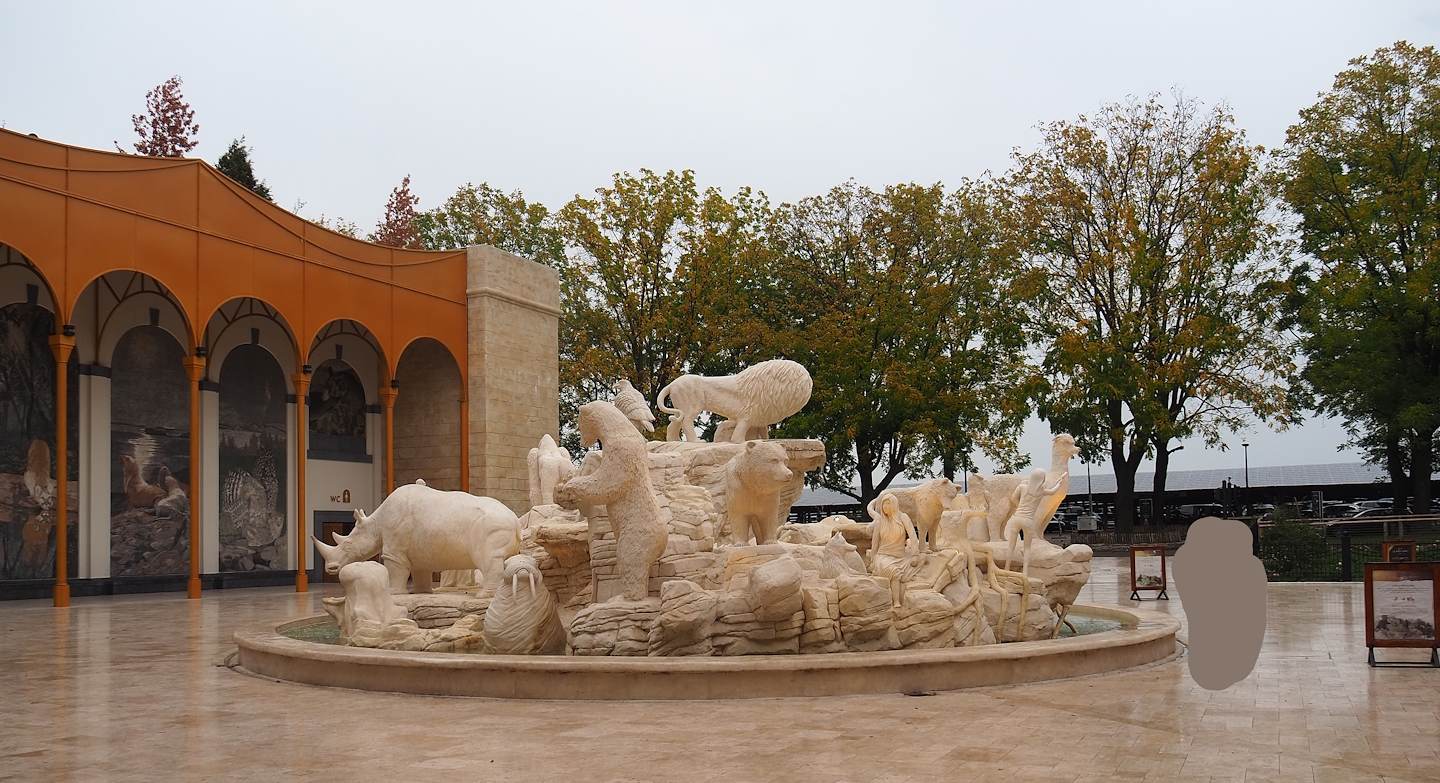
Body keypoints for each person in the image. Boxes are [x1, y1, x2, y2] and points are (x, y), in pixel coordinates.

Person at [867, 491, 922, 607]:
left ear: (894, 504)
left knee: (923, 559)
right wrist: (873, 560)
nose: (885, 507)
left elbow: (912, 535)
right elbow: (875, 543)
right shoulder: (880, 522)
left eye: (888, 504)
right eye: (883, 504)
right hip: (883, 556)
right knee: (894, 572)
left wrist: (915, 554)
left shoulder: (903, 518)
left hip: (900, 556)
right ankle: (896, 602)